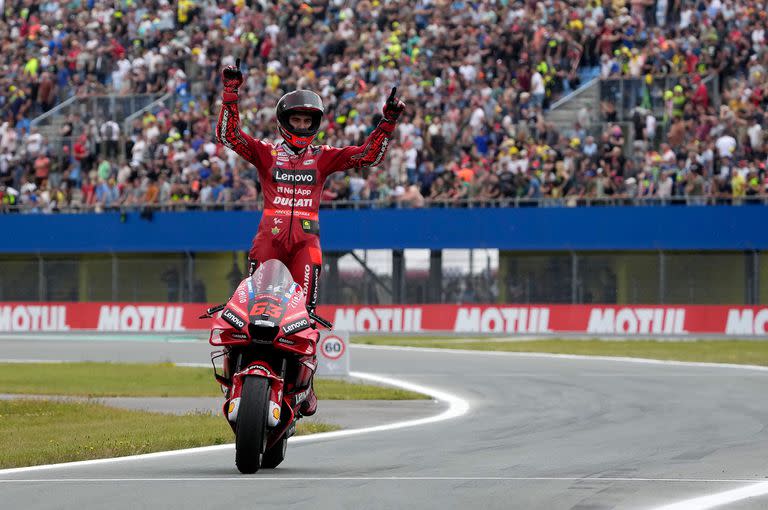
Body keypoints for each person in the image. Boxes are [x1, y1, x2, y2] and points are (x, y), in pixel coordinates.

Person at [215, 59, 405, 416]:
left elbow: (368, 155)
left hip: (306, 244)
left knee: (307, 318)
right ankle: (237, 373)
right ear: (283, 122)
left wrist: (388, 122)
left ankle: (306, 386)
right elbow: (229, 136)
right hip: (268, 241)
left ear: (316, 124)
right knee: (249, 311)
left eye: (308, 121)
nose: (301, 126)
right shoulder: (266, 152)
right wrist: (231, 92)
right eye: (296, 120)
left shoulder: (324, 157)